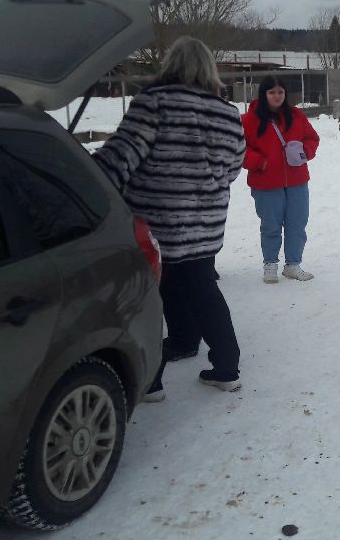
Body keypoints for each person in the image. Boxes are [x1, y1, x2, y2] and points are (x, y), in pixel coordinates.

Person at [93, 36, 246, 400]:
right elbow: (232, 168)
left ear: (171, 65)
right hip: (205, 227)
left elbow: (120, 158)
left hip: (156, 228)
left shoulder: (154, 104)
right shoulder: (228, 113)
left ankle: (151, 381)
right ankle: (226, 368)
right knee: (203, 289)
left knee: (149, 300)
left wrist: (84, 184)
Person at [241, 75, 320, 283]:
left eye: (280, 92)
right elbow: (238, 149)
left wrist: (304, 152)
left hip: (297, 180)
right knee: (271, 225)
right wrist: (260, 162)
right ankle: (270, 264)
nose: (277, 96)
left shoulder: (296, 115)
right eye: (272, 92)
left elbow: (312, 138)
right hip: (266, 183)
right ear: (264, 94)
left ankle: (293, 265)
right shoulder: (248, 121)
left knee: (297, 224)